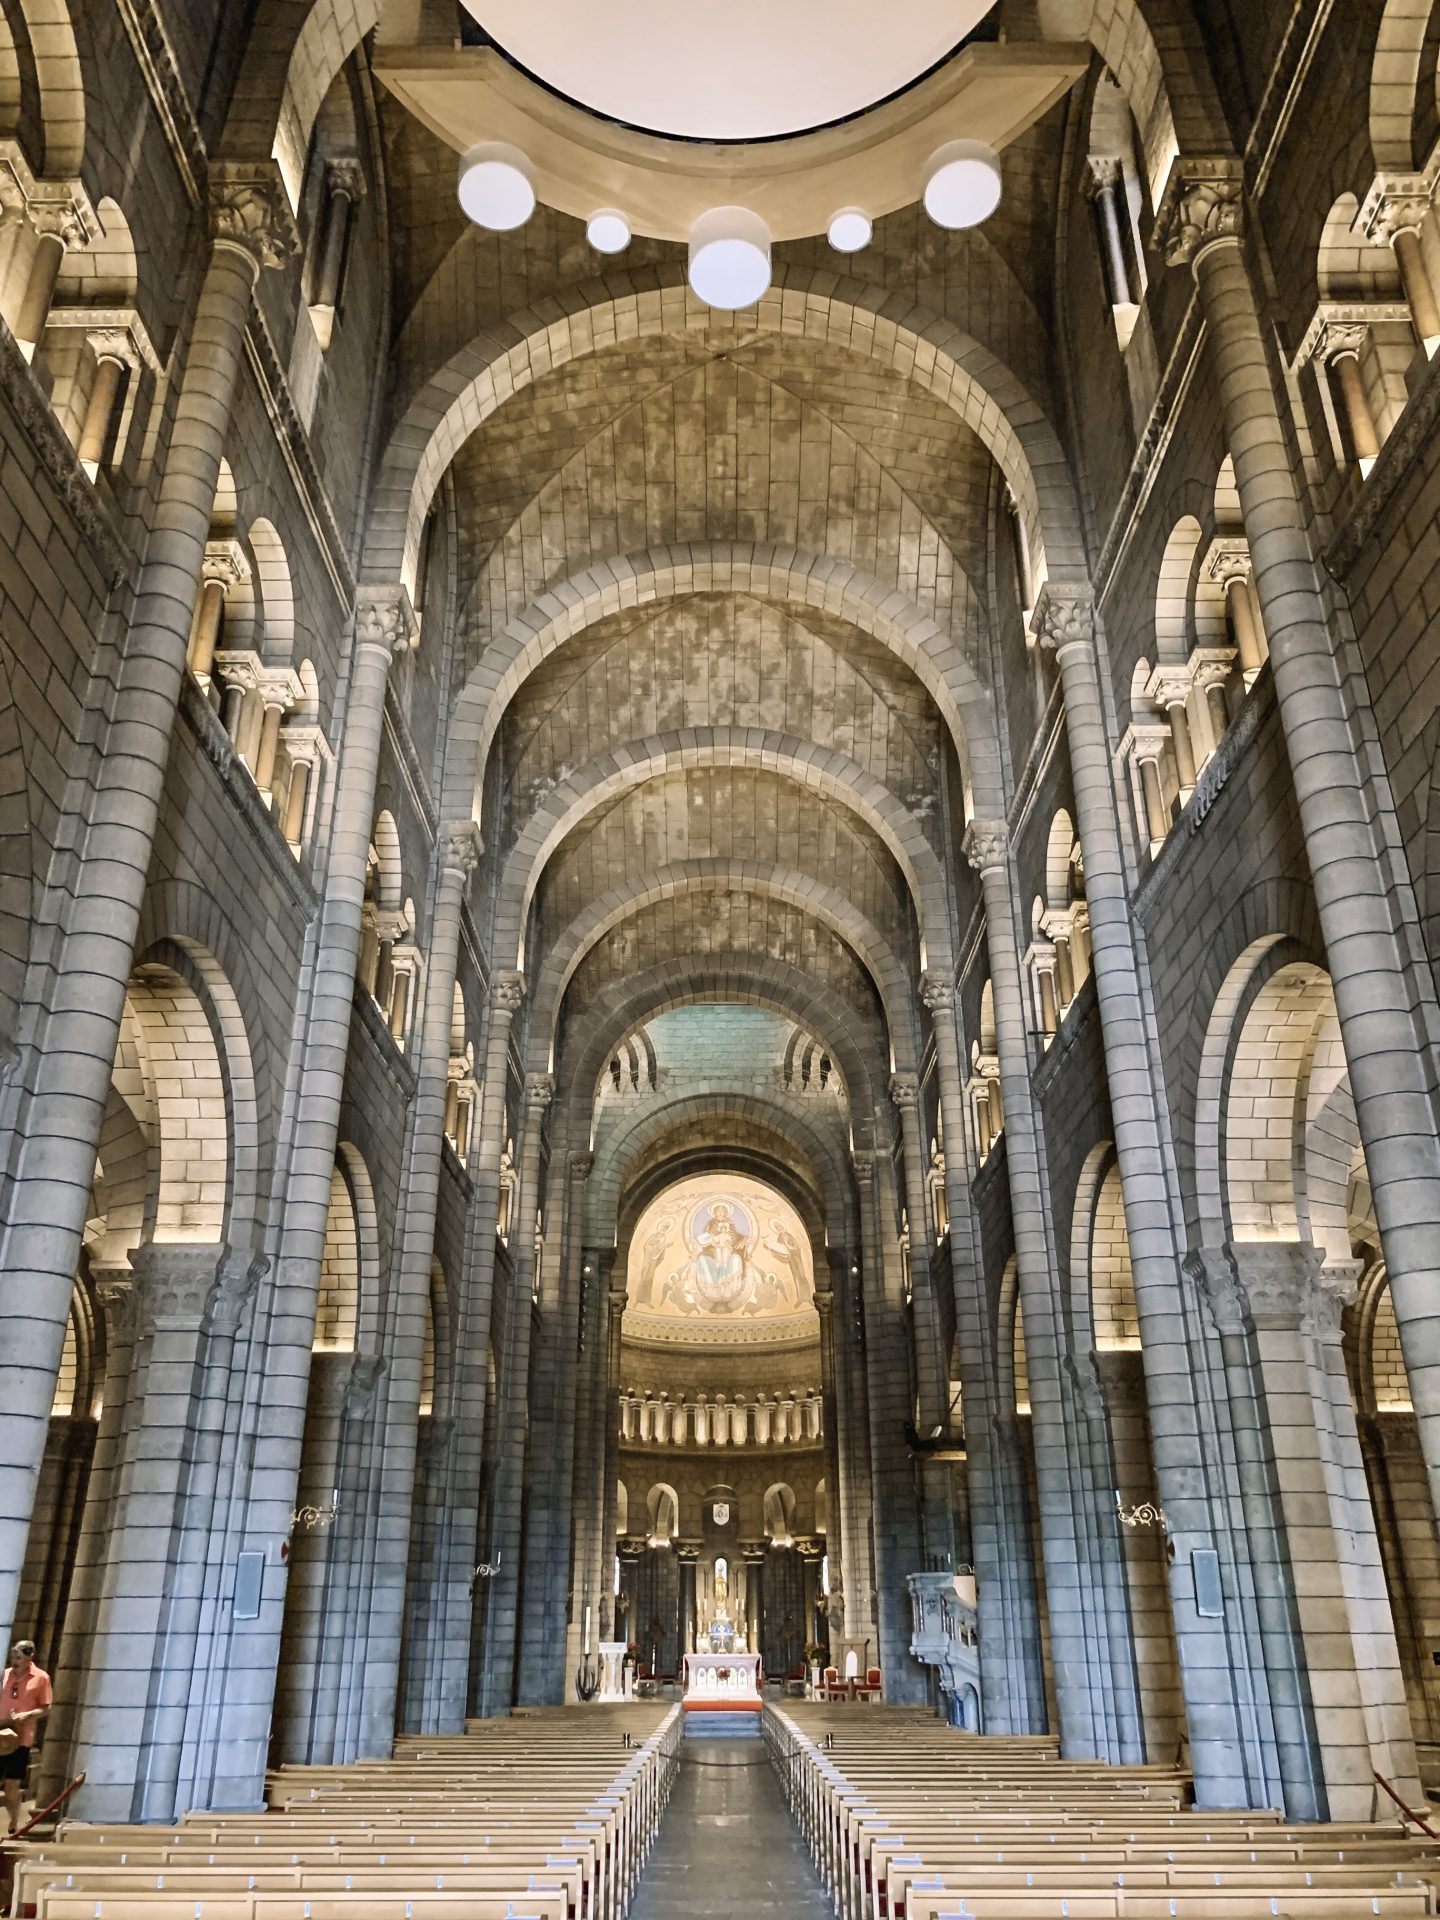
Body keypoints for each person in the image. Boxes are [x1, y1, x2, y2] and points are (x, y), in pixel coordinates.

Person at [1, 1640, 52, 1833]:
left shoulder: (41, 1678)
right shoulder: (5, 1674)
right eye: (13, 1656)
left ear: (29, 1657)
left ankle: (14, 1821)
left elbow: (46, 1707)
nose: (15, 1661)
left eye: (19, 1658)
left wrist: (27, 1715)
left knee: (11, 1785)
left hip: (20, 1739)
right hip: (1, 1733)